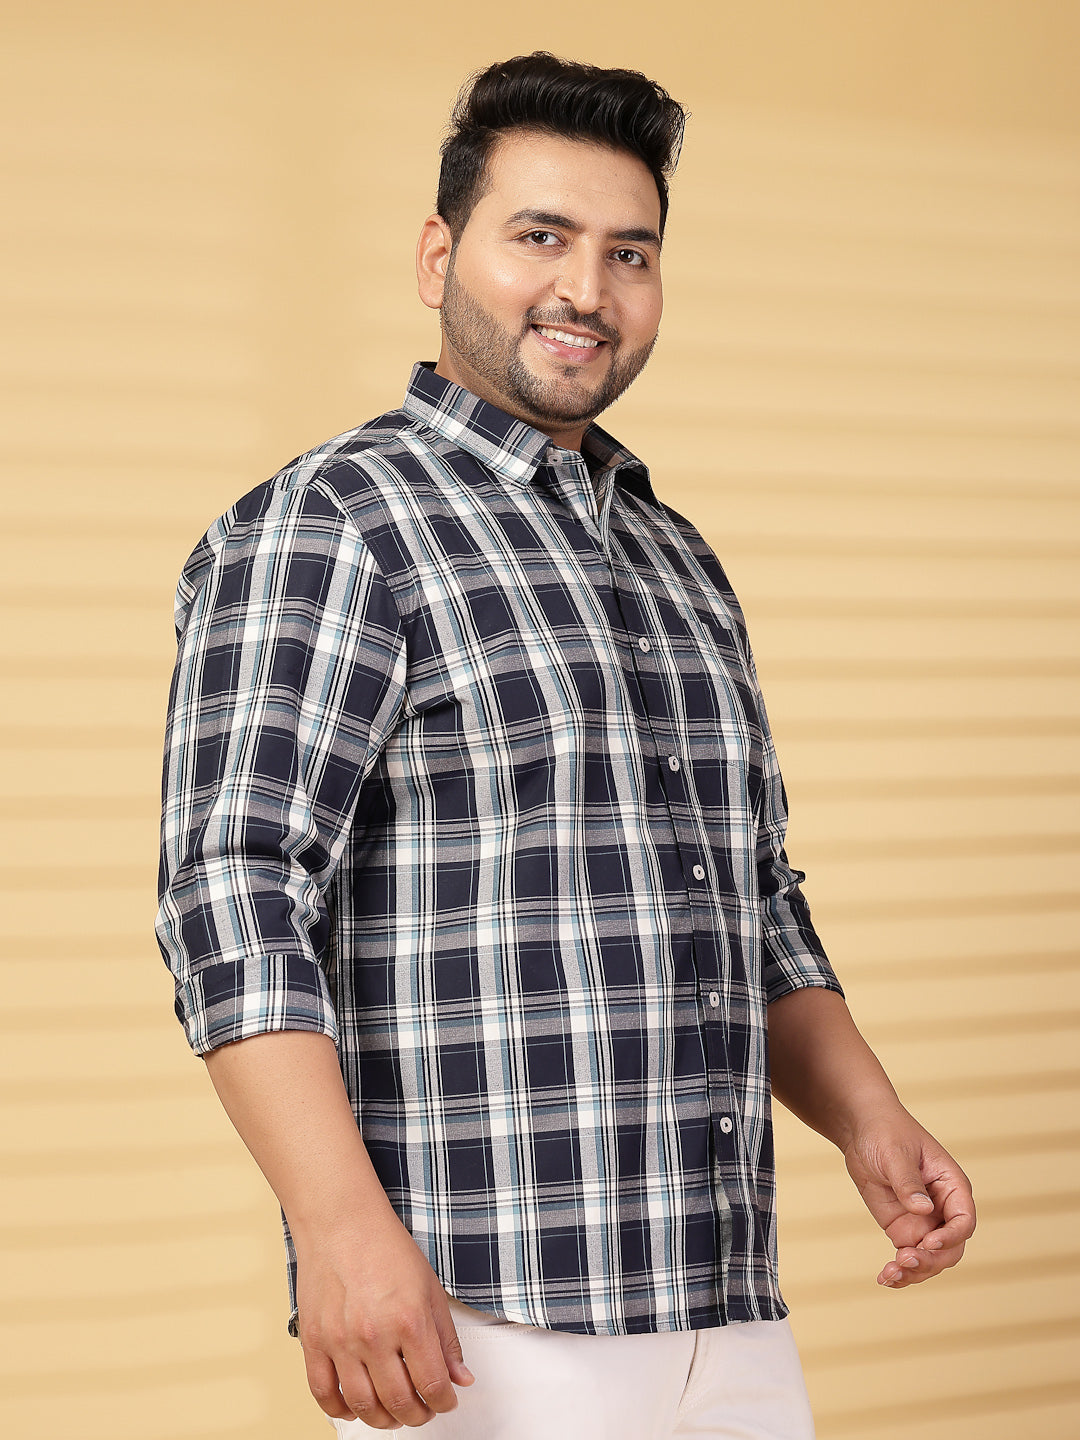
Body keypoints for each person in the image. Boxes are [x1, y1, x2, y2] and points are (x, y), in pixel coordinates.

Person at [156, 51, 976, 1439]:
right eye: (540, 236)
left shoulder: (677, 556)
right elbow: (234, 894)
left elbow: (752, 898)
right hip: (482, 1313)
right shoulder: (333, 524)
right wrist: (339, 1231)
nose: (586, 290)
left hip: (723, 1295)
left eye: (628, 253)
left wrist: (870, 1119)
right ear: (440, 255)